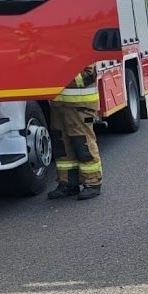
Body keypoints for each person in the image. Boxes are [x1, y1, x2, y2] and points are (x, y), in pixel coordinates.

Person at [48, 67, 102, 201]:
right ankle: (68, 184)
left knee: (83, 144)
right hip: (58, 106)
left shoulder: (82, 54)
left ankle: (92, 183)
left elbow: (87, 76)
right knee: (62, 146)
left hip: (80, 106)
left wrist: (58, 73)